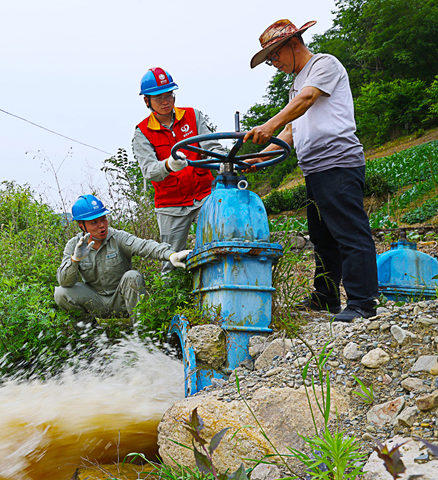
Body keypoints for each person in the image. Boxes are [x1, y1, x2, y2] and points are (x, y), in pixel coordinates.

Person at [244, 19, 379, 322]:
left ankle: (362, 302)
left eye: (274, 56)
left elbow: (306, 102)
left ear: (293, 44)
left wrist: (268, 125)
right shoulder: (295, 87)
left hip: (338, 162)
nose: (274, 63)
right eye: (269, 60)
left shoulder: (323, 65)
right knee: (323, 237)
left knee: (349, 231)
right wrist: (257, 158)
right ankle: (326, 298)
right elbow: (291, 132)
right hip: (315, 168)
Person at [132, 67, 228, 273]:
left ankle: (216, 292)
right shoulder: (143, 132)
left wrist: (223, 161)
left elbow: (212, 146)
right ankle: (171, 301)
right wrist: (169, 164)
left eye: (169, 95)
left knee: (220, 246)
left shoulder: (192, 116)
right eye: (159, 97)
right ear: (147, 101)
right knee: (171, 261)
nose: (166, 101)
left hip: (204, 197)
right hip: (171, 206)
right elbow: (149, 170)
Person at [54, 194, 190, 317]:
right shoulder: (73, 245)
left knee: (132, 276)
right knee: (61, 293)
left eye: (103, 219)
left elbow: (143, 245)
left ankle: (140, 332)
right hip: (96, 302)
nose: (102, 225)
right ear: (82, 226)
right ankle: (90, 333)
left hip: (122, 301)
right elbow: (65, 282)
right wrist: (75, 259)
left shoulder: (117, 237)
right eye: (94, 222)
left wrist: (171, 254)